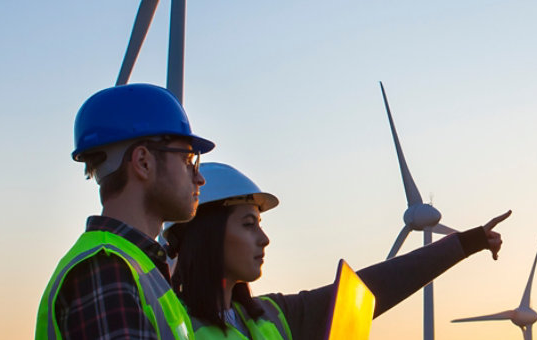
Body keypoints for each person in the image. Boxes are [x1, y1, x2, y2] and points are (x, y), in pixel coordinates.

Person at [165, 162, 511, 340]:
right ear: (207, 237)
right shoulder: (166, 325)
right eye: (248, 224)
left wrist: (466, 243)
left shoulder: (270, 317)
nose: (264, 238)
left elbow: (374, 288)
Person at [35, 83, 213, 340]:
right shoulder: (105, 270)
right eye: (187, 160)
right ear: (143, 162)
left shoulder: (136, 267)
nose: (199, 178)